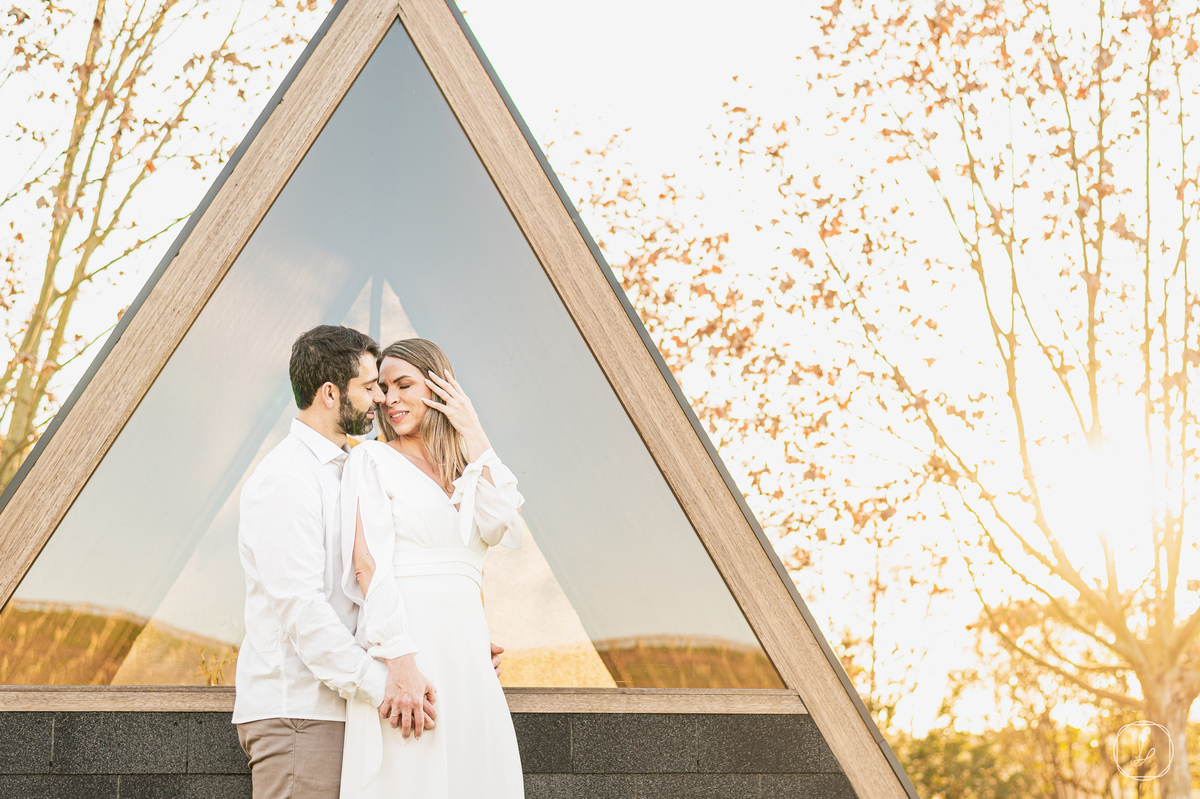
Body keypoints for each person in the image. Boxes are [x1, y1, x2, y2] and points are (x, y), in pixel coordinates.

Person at [233, 325, 500, 799]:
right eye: (370, 385)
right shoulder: (287, 479)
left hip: (347, 709)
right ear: (331, 393)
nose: (380, 398)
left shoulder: (350, 467)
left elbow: (384, 575)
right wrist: (386, 683)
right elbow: (301, 607)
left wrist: (448, 637)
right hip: (300, 713)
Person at [339, 338, 525, 798]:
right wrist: (400, 661)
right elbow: (368, 564)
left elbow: (501, 521)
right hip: (410, 656)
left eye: (405, 385)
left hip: (468, 660)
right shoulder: (371, 459)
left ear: (441, 390)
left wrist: (474, 431)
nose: (390, 398)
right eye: (384, 388)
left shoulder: (468, 470)